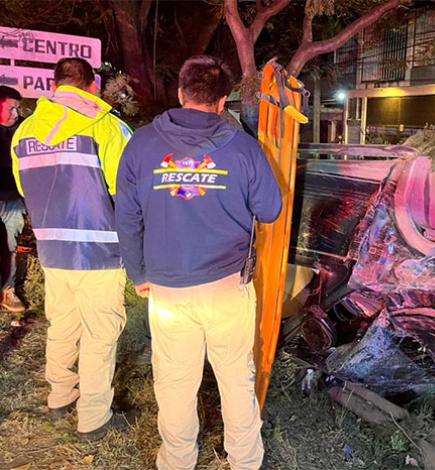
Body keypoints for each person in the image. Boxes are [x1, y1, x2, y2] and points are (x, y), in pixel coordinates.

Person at [116, 55, 282, 470]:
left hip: (167, 291)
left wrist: (138, 273)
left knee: (174, 382)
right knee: (236, 379)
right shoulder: (244, 148)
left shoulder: (141, 145)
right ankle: (245, 461)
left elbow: (127, 216)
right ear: (223, 101)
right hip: (228, 288)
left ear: (180, 93)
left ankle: (177, 461)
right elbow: (271, 210)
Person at [11, 58, 132, 440]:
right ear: (92, 85)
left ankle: (60, 396)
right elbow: (125, 188)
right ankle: (94, 417)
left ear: (54, 85)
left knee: (62, 324)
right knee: (100, 332)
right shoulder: (106, 125)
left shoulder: (24, 131)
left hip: (52, 249)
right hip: (99, 250)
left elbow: (22, 186)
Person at [0, 86, 27, 314]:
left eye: (17, 108)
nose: (16, 114)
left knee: (11, 244)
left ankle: (8, 290)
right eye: (11, 108)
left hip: (14, 198)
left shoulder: (24, 128)